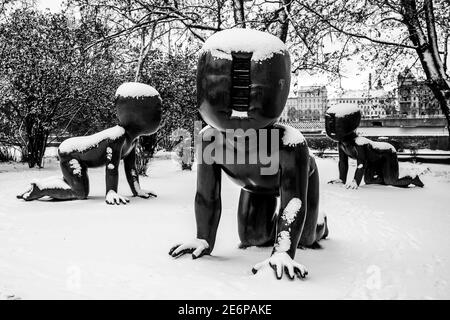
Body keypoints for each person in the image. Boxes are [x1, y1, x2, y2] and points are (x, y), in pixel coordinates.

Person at [169, 28, 328, 280]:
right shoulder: (210, 139)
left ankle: (320, 225)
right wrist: (203, 239)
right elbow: (207, 196)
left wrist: (283, 252)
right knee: (253, 239)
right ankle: (274, 227)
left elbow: (293, 201)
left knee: (306, 239)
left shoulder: (289, 145)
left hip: (297, 184)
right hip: (255, 188)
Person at [17, 82, 162, 205]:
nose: (159, 113)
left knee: (77, 186)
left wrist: (137, 190)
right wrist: (111, 192)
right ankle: (40, 188)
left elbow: (131, 168)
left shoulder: (131, 140)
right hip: (71, 154)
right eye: (156, 109)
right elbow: (112, 167)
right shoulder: (117, 137)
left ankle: (57, 183)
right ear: (136, 113)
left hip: (76, 152)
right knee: (80, 193)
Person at [325, 104, 424, 189]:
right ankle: (384, 177)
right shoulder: (342, 143)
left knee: (391, 181)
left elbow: (361, 164)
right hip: (372, 160)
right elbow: (343, 162)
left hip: (387, 154)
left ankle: (412, 178)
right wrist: (342, 179)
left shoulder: (359, 144)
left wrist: (355, 182)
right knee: (370, 181)